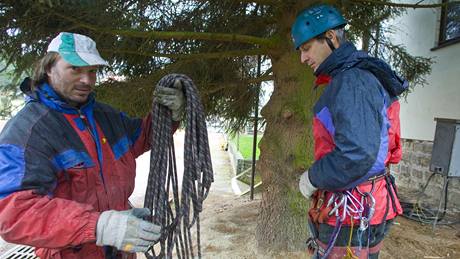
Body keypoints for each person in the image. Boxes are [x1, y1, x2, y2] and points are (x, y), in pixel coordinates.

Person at [0, 32, 185, 258]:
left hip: (121, 251)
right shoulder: (28, 132)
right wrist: (100, 225)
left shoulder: (106, 117)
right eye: (75, 69)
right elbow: (14, 214)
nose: (86, 80)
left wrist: (170, 115)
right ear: (49, 68)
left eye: (92, 71)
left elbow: (144, 137)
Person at [292, 5, 407, 259]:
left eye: (307, 48)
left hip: (351, 211)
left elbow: (357, 154)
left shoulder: (352, 80)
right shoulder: (356, 76)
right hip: (365, 204)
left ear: (331, 38)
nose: (303, 58)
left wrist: (312, 177)